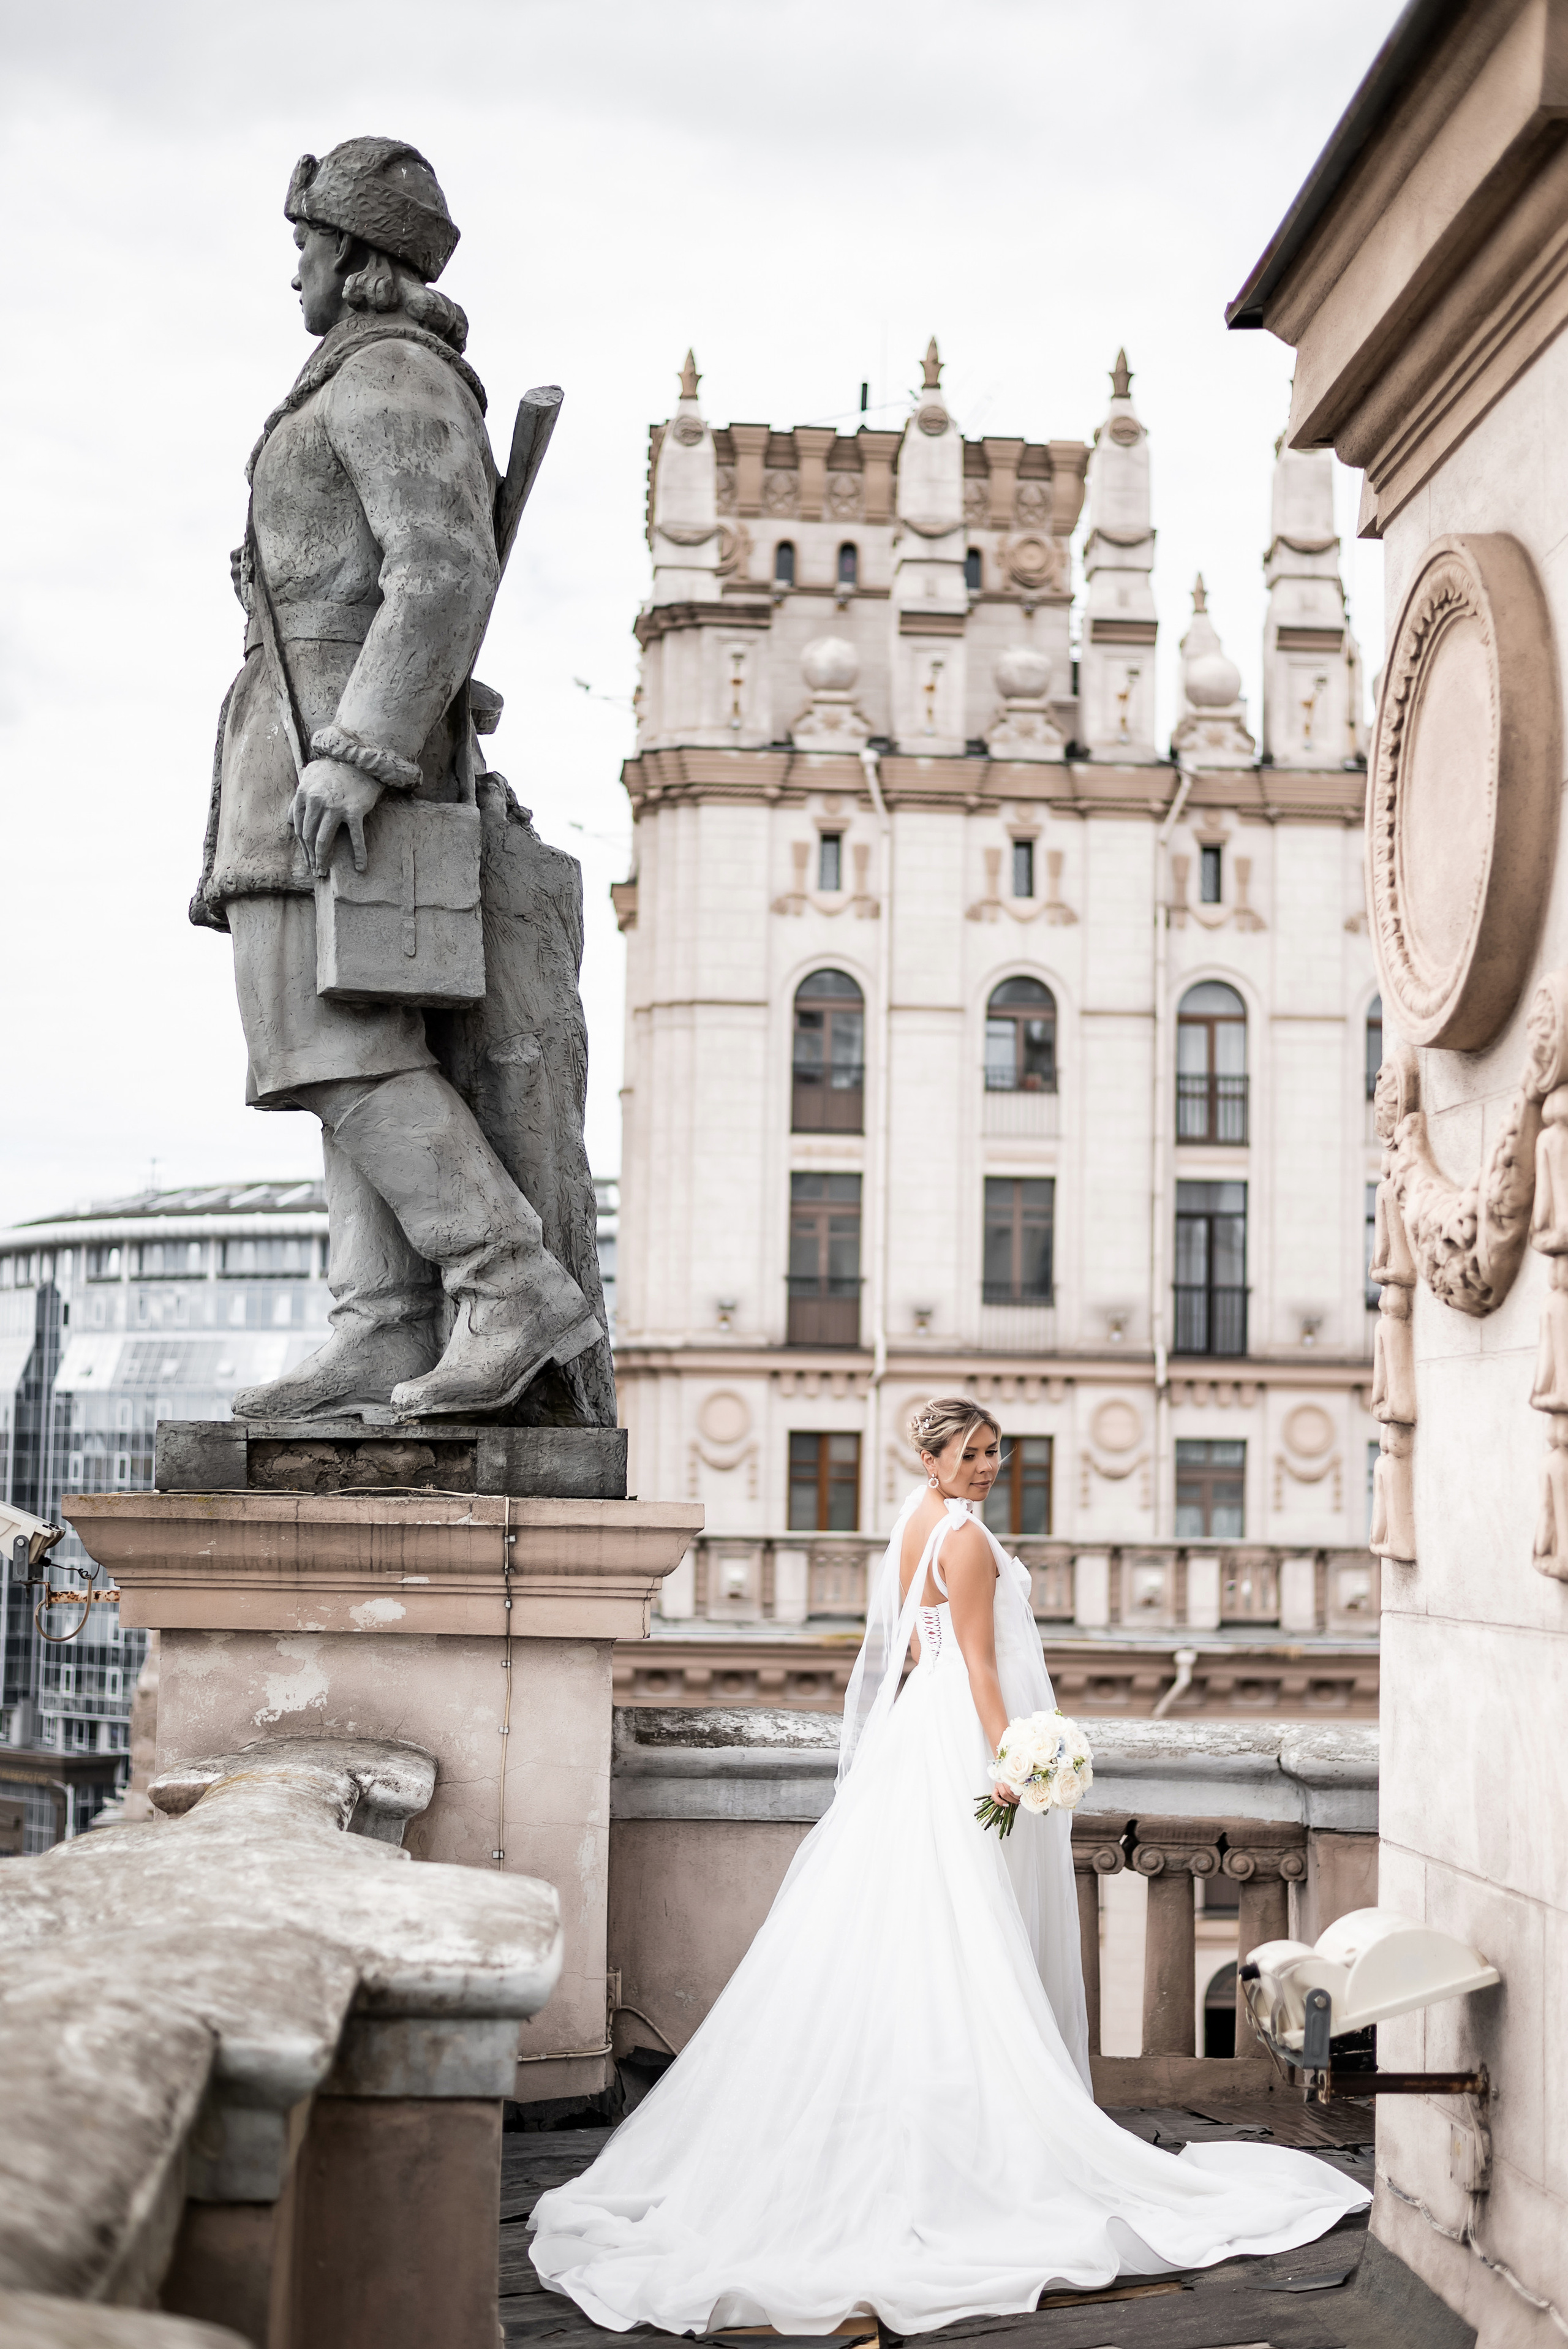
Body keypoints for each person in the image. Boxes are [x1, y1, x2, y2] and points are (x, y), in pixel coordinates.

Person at [529, 1395, 1368, 2336]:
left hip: (912, 1746)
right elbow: (978, 1665)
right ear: (934, 1458)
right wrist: (1019, 1757)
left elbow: (893, 1661)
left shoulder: (910, 1521)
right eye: (973, 1452)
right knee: (967, 1939)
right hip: (960, 1741)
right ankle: (963, 2142)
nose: (989, 1464)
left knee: (910, 1940)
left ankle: (911, 2128)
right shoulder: (960, 1535)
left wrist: (889, 1756)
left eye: (996, 1450)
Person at [190, 138, 606, 1423]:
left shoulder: (392, 377)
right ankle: (382, 1325)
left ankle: (509, 1283)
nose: (296, 272)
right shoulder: (350, 377)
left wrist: (365, 748)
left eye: (308, 247)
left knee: (333, 1041)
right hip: (295, 743)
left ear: (361, 262)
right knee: (333, 1042)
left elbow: (439, 566)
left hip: (336, 756)